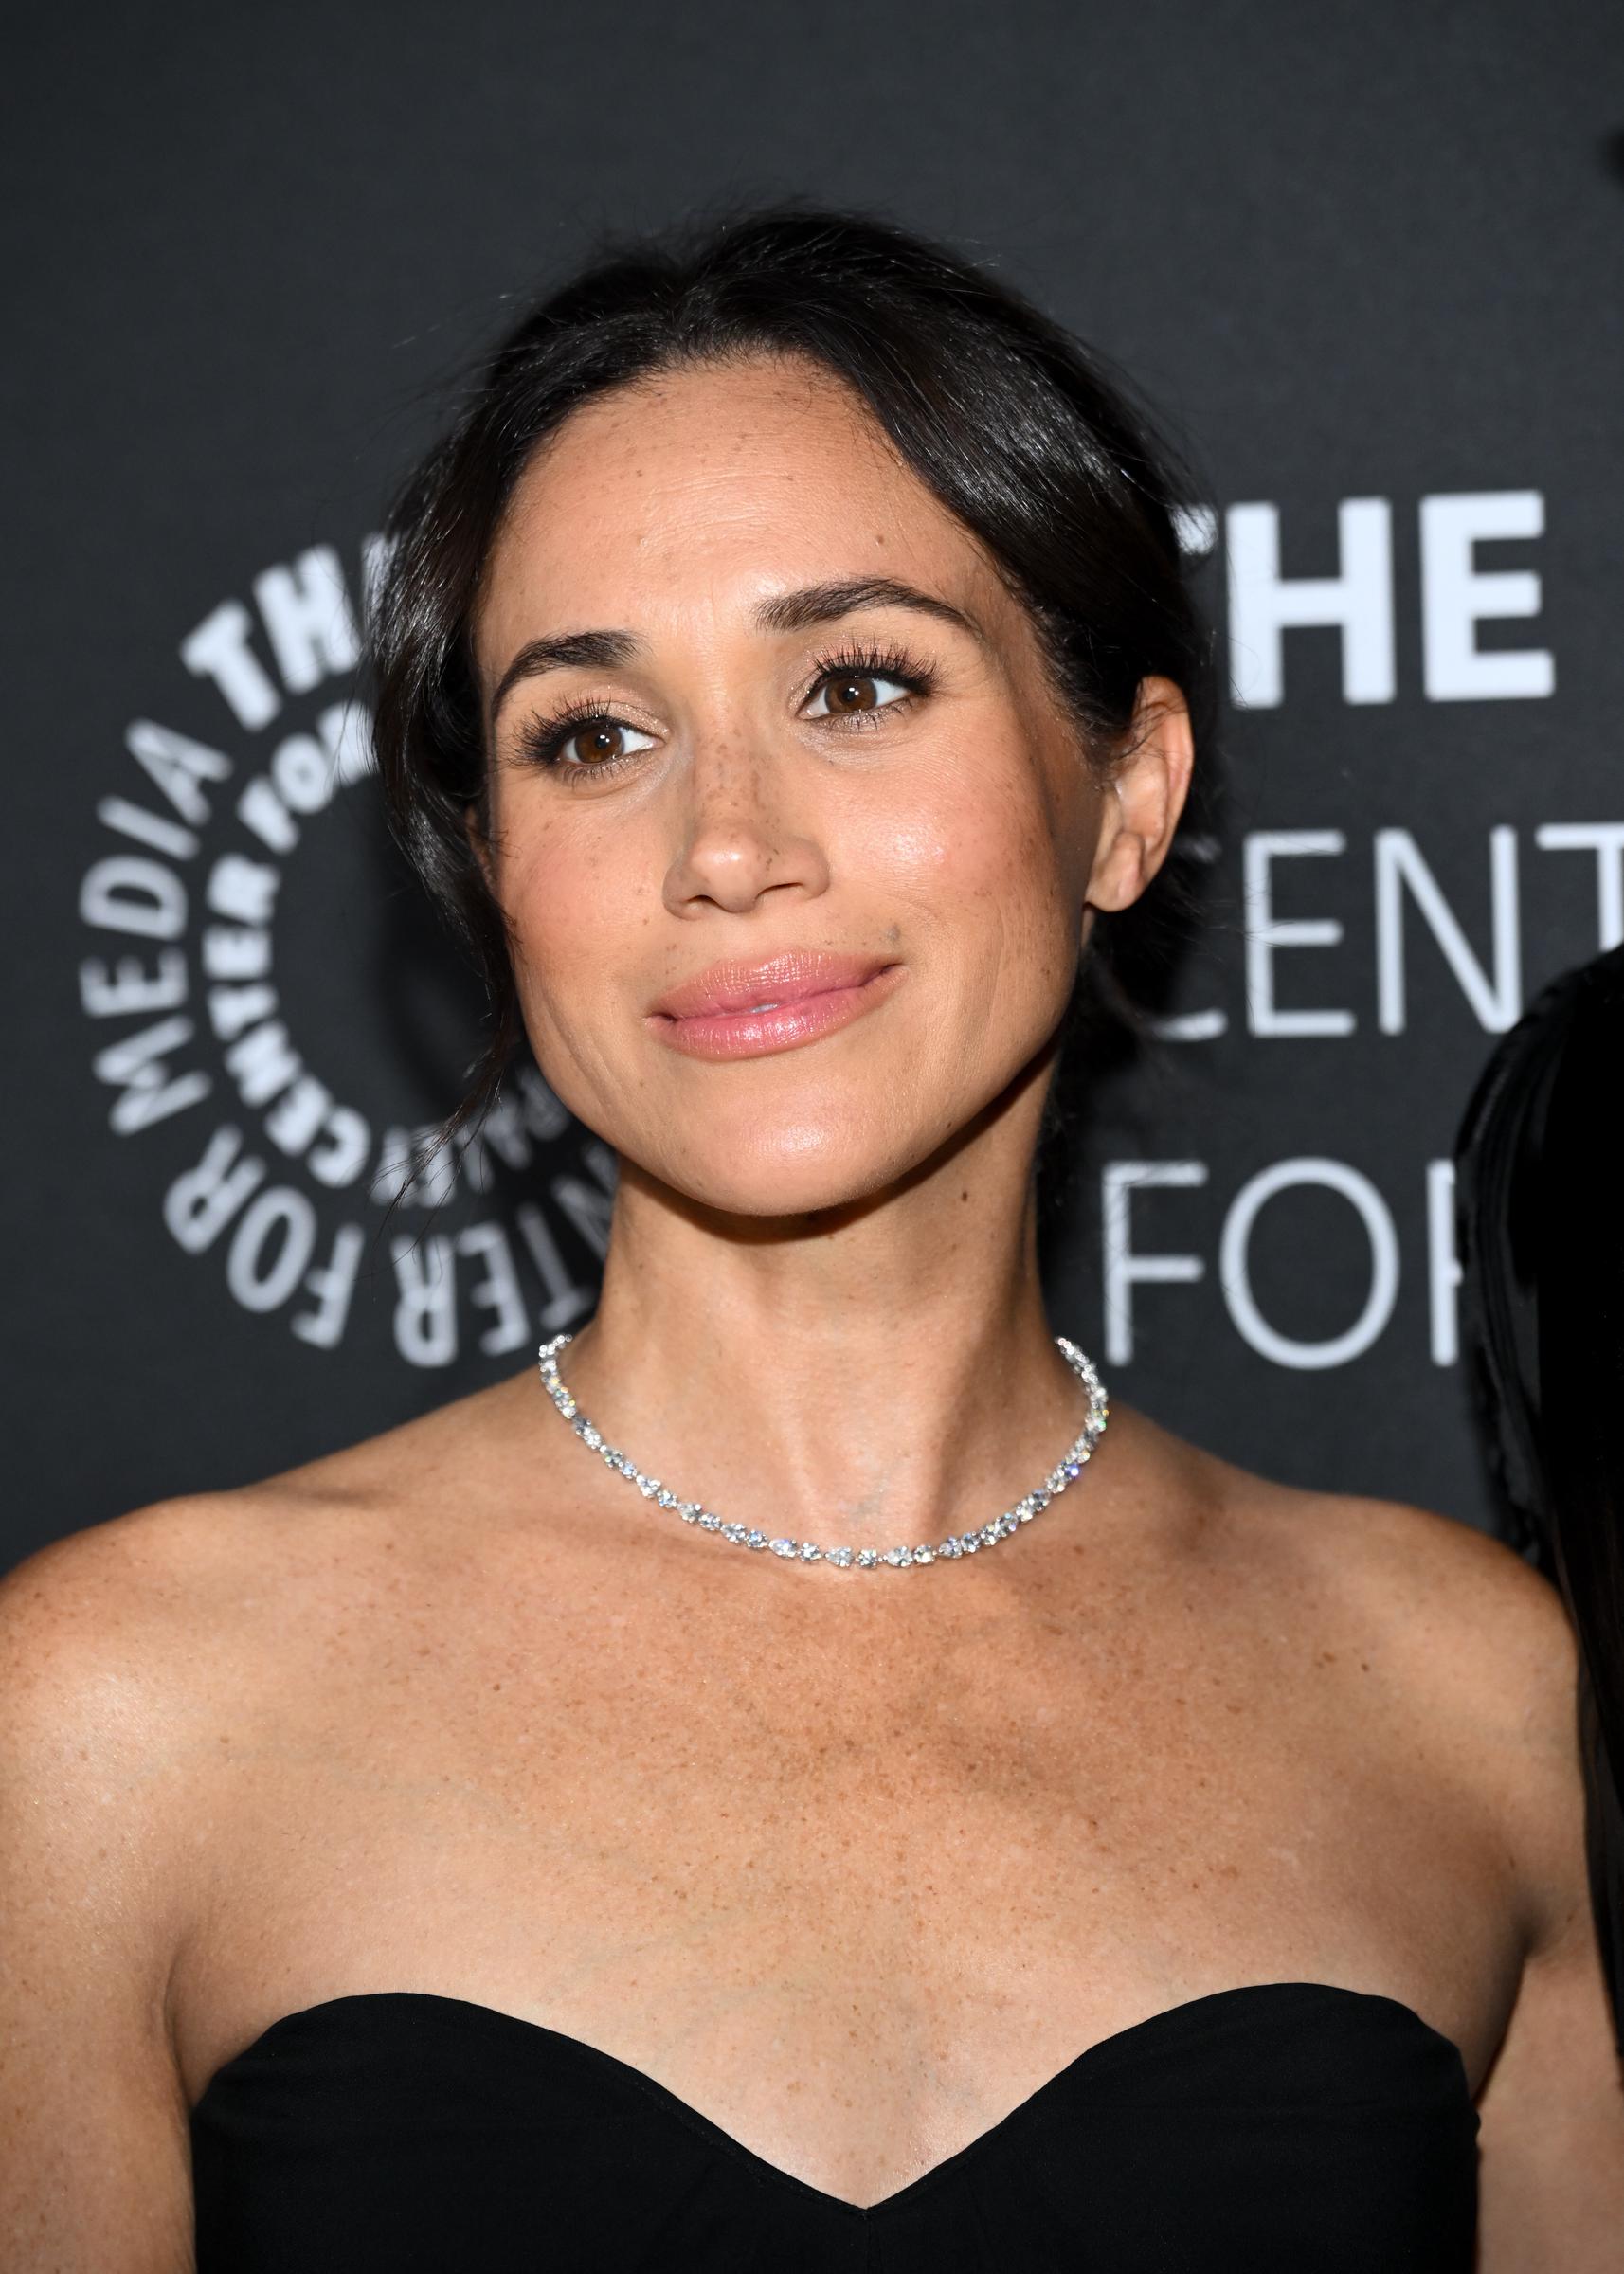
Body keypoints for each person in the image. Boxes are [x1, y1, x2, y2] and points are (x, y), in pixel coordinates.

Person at [3, 204, 1620, 2272]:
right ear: (490, 868)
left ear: (1125, 791)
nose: (728, 846)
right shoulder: (115, 1712)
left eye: (855, 684)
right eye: (590, 735)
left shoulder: (1474, 1700)